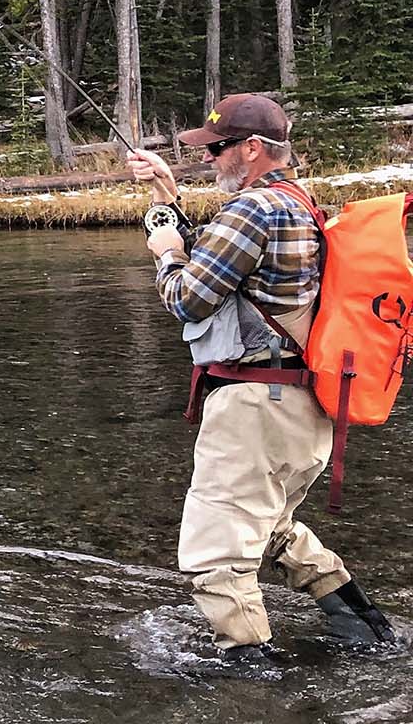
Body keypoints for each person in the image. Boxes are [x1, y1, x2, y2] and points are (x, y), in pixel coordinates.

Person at [127, 93, 395, 665]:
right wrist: (167, 197)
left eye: (218, 149)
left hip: (258, 406)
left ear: (251, 149)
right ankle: (371, 635)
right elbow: (234, 269)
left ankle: (251, 679)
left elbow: (190, 298)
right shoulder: (295, 201)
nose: (211, 159)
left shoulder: (252, 210)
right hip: (302, 407)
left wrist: (166, 251)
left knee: (215, 555)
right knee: (272, 527)